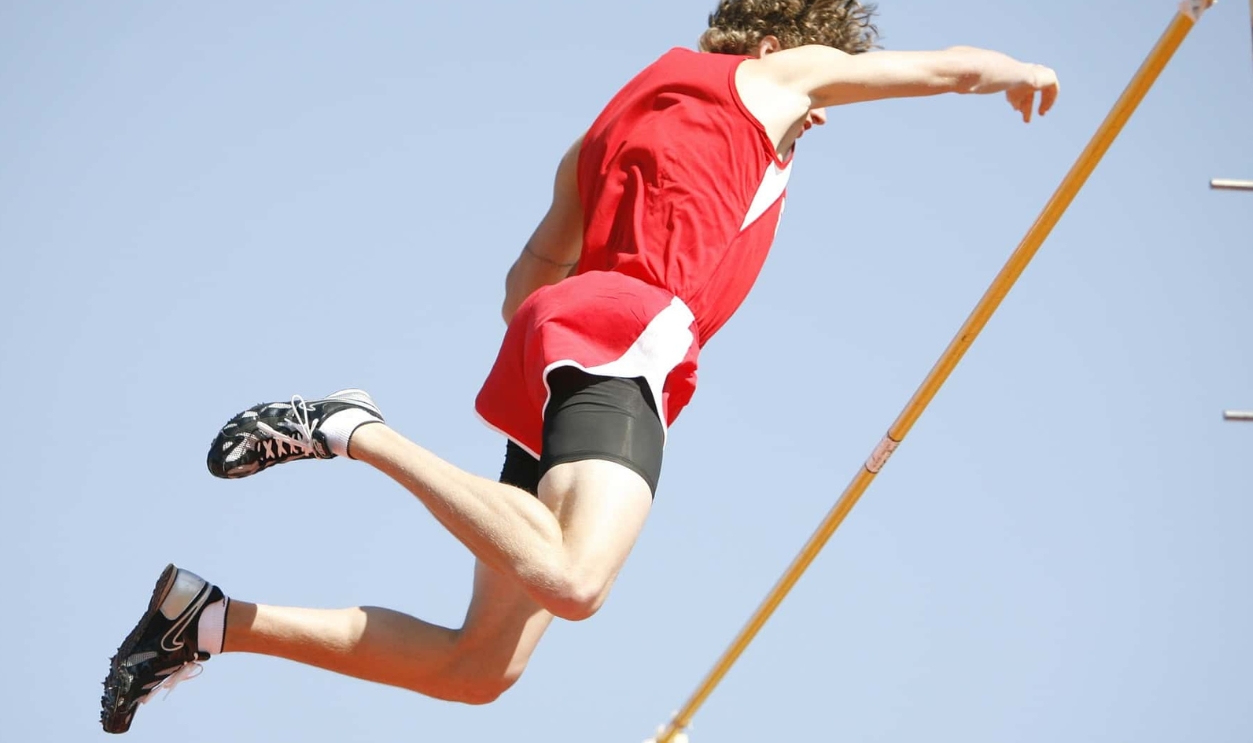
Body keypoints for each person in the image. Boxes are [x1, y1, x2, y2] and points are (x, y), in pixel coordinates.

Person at [100, 0, 1059, 733]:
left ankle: (212, 622)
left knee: (478, 670)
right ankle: (354, 427)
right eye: (820, 100)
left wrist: (552, 348)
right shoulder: (776, 78)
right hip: (624, 331)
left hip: (556, 346)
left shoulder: (606, 125)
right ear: (776, 45)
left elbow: (531, 270)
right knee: (576, 580)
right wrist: (1014, 68)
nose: (814, 121)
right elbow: (942, 67)